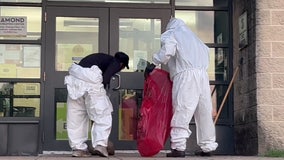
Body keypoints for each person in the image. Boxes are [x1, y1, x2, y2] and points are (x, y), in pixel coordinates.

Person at [145, 18, 218, 157]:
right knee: (204, 112)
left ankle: (178, 147)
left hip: (185, 76)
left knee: (182, 109)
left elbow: (167, 50)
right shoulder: (196, 40)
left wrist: (154, 63)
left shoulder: (173, 33)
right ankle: (208, 146)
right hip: (203, 76)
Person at [64, 52, 129, 157]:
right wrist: (102, 90)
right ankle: (100, 145)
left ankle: (78, 148)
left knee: (76, 115)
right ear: (122, 64)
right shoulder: (115, 62)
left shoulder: (100, 58)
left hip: (75, 80)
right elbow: (107, 76)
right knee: (103, 113)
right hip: (92, 81)